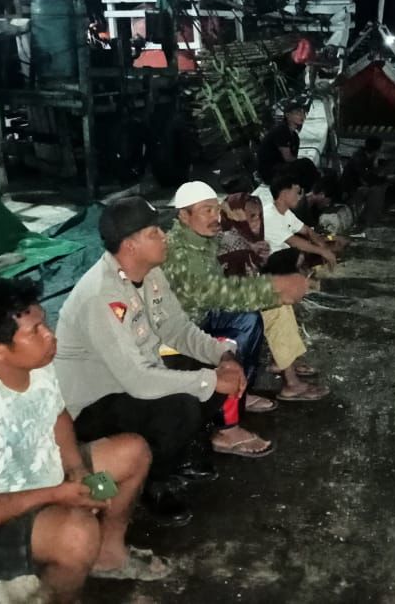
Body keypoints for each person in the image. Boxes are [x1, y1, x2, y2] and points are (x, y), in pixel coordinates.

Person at [0, 278, 165, 603]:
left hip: (44, 479)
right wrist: (56, 494)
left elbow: (57, 415)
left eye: (45, 323)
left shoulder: (34, 365)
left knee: (133, 452)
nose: (50, 335)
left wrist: (76, 469)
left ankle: (108, 556)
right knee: (78, 534)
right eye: (35, 331)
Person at [53, 196, 251, 527]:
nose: (164, 236)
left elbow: (177, 329)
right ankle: (154, 482)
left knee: (210, 372)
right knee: (184, 405)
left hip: (132, 382)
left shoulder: (151, 272)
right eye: (154, 232)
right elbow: (138, 380)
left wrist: (224, 356)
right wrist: (212, 380)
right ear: (129, 245)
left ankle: (180, 453)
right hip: (92, 406)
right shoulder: (100, 295)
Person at [165, 181, 311, 424]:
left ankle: (277, 379)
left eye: (216, 210)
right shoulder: (180, 251)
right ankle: (230, 409)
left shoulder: (203, 237)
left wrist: (253, 250)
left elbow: (227, 249)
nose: (215, 217)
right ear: (184, 215)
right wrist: (273, 288)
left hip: (205, 313)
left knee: (264, 313)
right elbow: (216, 293)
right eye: (206, 210)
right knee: (247, 323)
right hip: (188, 328)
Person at [218, 193, 329, 401]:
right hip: (219, 309)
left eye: (258, 216)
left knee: (280, 304)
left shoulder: (245, 239)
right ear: (235, 217)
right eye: (250, 217)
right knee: (276, 310)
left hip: (232, 300)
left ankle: (286, 361)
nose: (257, 222)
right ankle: (290, 381)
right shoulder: (231, 242)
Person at [261, 170, 340, 275]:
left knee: (330, 244)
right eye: (297, 193)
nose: (299, 197)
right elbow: (294, 242)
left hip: (288, 255)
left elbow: (307, 230)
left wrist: (323, 245)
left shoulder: (285, 211)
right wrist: (323, 251)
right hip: (273, 263)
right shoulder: (269, 215)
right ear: (284, 194)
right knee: (302, 252)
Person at [256, 101, 306, 184]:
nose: (302, 116)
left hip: (281, 168)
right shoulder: (281, 131)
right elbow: (288, 158)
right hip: (270, 172)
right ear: (288, 115)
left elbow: (292, 158)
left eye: (303, 113)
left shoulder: (295, 137)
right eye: (298, 113)